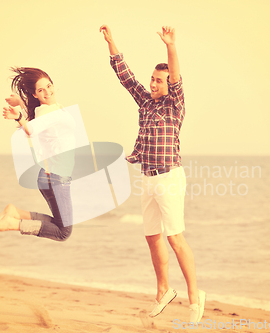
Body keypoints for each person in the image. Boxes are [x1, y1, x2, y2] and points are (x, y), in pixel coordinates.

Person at [99, 25, 205, 323]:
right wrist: (111, 42)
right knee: (151, 236)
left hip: (170, 177)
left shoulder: (175, 105)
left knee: (175, 238)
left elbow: (176, 75)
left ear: (169, 84)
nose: (154, 83)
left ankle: (195, 297)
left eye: (160, 80)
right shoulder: (145, 102)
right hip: (147, 177)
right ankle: (163, 291)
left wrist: (170, 46)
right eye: (153, 79)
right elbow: (125, 77)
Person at [0, 67, 75, 241]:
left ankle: (15, 213)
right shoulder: (49, 112)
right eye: (41, 90)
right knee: (63, 232)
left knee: (59, 224)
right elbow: (32, 130)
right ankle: (13, 223)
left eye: (49, 86)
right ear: (35, 95)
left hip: (53, 176)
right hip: (56, 177)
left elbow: (38, 119)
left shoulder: (48, 109)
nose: (47, 92)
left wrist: (21, 103)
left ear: (53, 85)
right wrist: (19, 117)